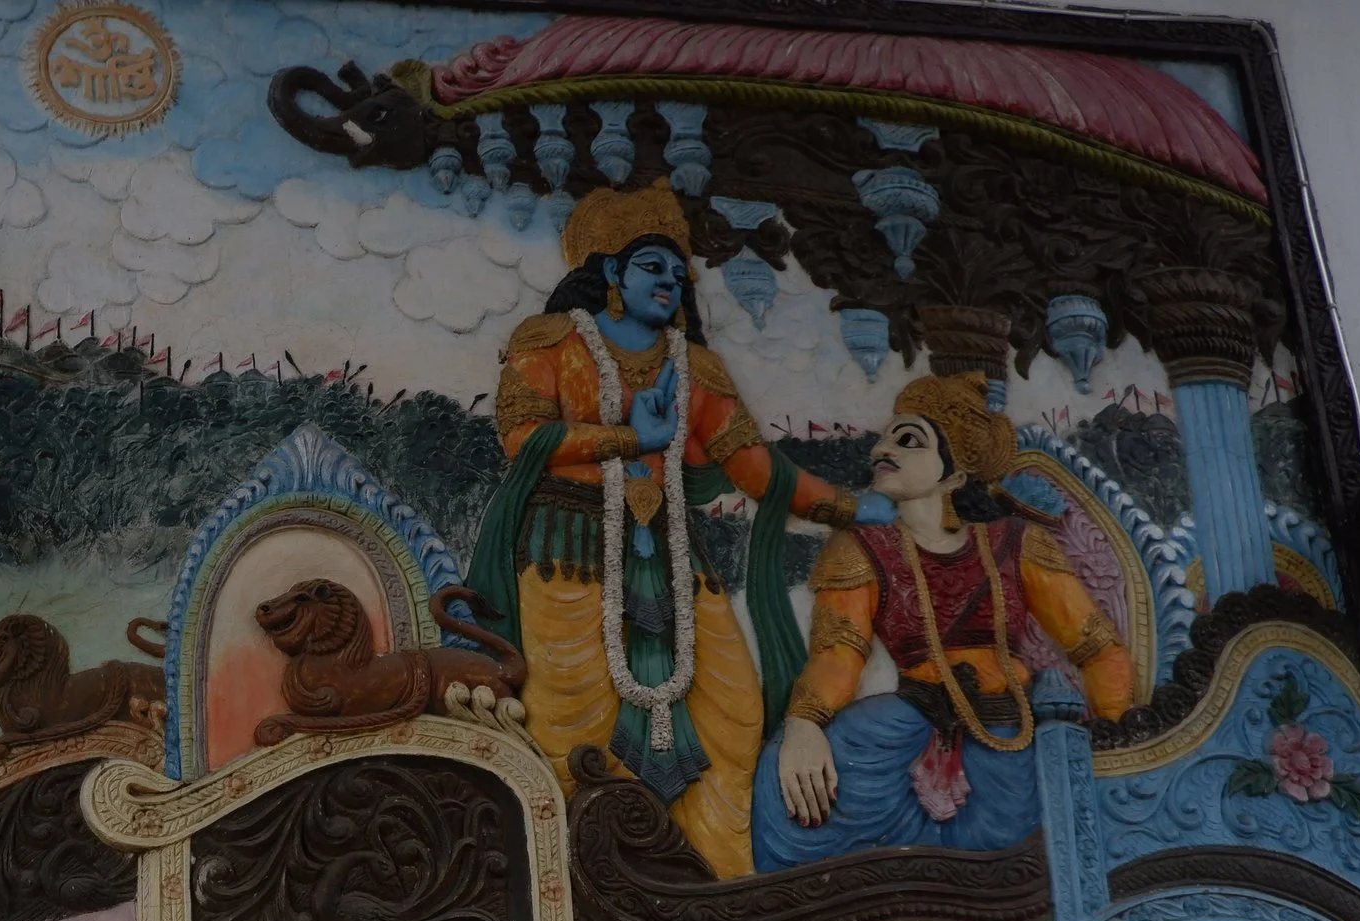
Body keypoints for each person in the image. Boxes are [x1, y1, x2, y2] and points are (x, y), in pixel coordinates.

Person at [467, 180, 880, 879]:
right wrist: (632, 437)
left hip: (676, 561)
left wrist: (851, 507)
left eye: (678, 273)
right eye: (653, 266)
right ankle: (579, 887)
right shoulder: (550, 342)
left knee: (734, 711)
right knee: (564, 717)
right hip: (568, 560)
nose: (671, 282)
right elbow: (520, 434)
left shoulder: (697, 369)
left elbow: (758, 472)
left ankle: (716, 885)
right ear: (610, 273)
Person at [752, 371, 1135, 869]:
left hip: (1009, 735)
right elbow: (838, 655)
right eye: (884, 437)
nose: (880, 450)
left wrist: (1109, 742)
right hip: (898, 735)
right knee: (782, 787)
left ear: (953, 475)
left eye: (907, 440)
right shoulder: (859, 549)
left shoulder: (1017, 545)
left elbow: (1099, 650)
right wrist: (804, 725)